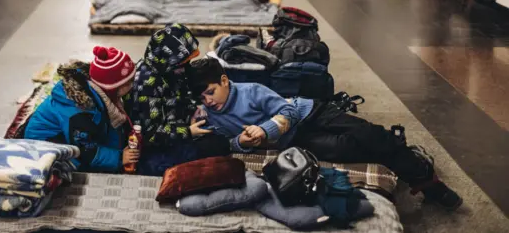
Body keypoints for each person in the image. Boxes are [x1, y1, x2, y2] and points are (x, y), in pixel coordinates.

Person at [186, 58, 464, 211]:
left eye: (211, 92)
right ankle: (402, 152)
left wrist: (266, 128)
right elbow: (230, 142)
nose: (209, 101)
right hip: (295, 140)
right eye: (202, 97)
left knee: (368, 133)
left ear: (224, 80)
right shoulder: (213, 116)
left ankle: (427, 181)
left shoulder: (251, 91)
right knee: (345, 149)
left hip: (310, 112)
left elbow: (288, 111)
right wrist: (242, 142)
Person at [125, 24, 230, 176]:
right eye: (182, 64)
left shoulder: (168, 70)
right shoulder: (146, 86)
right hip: (153, 153)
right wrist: (187, 131)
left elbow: (180, 96)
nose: (186, 68)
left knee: (216, 138)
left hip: (175, 132)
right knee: (217, 147)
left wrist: (191, 112)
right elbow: (151, 134)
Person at [24, 47, 139, 173]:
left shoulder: (98, 93)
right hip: (44, 148)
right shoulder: (80, 112)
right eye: (128, 83)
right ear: (113, 87)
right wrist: (119, 157)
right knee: (75, 171)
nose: (132, 85)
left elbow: (107, 126)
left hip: (69, 136)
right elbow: (85, 151)